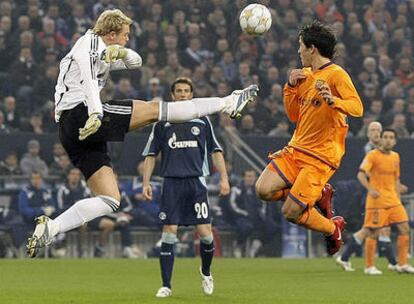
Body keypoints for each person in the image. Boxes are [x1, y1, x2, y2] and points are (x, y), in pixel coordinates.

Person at [26, 9, 258, 258]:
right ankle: (227, 102)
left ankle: (52, 227)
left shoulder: (101, 50)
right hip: (82, 115)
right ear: (111, 33)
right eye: (124, 36)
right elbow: (89, 77)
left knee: (110, 198)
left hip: (69, 130)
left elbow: (136, 62)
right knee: (156, 110)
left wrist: (122, 52)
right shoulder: (88, 43)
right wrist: (95, 112)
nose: (127, 39)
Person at [255, 21, 363, 256]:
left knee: (290, 212)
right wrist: (290, 87)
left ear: (312, 48)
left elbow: (357, 108)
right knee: (262, 190)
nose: (298, 51)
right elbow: (294, 114)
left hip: (320, 156)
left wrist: (334, 101)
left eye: (300, 46)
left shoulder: (336, 75)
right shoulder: (304, 76)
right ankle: (320, 195)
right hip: (296, 149)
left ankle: (331, 228)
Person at [142, 77, 230, 298]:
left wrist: (224, 179)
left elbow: (216, 152)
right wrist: (146, 182)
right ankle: (166, 285)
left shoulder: (202, 119)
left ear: (191, 95)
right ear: (172, 96)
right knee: (169, 233)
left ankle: (206, 272)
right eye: (178, 91)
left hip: (196, 183)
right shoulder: (162, 122)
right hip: (171, 183)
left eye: (186, 91)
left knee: (205, 234)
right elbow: (151, 155)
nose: (182, 94)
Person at [336, 121, 405, 271]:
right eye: (373, 130)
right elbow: (364, 174)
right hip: (369, 196)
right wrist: (371, 189)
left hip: (383, 196)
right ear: (368, 134)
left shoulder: (388, 154)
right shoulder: (370, 152)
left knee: (380, 229)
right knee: (370, 230)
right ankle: (351, 259)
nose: (376, 133)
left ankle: (393, 263)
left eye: (378, 130)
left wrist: (396, 186)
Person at [356, 129, 414, 275]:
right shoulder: (372, 155)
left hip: (393, 200)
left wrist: (398, 198)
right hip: (377, 201)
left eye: (391, 137)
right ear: (380, 139)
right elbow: (360, 175)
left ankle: (403, 264)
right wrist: (370, 189)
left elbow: (396, 179)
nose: (388, 140)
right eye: (385, 137)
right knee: (373, 232)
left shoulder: (396, 157)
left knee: (405, 228)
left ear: (395, 141)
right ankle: (369, 266)